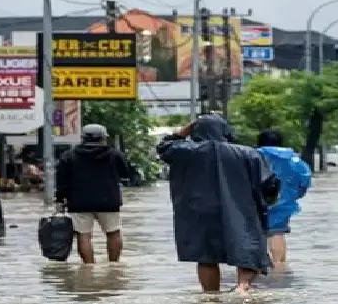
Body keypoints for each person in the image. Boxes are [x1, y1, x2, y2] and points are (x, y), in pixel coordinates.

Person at [157, 114, 281, 293]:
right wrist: (267, 203)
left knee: (206, 256)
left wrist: (185, 129)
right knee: (248, 249)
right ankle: (242, 287)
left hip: (198, 212)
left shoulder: (183, 151)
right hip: (241, 210)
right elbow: (269, 184)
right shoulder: (248, 153)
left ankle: (211, 295)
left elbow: (163, 146)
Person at [55, 124, 130, 264]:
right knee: (113, 232)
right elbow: (126, 174)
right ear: (103, 138)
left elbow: (62, 182)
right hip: (108, 201)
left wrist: (60, 200)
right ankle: (114, 265)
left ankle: (89, 267)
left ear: (83, 138)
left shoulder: (69, 156)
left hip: (79, 202)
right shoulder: (115, 155)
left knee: (84, 235)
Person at [255, 129, 312, 269]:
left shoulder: (253, 155)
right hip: (283, 202)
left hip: (254, 200)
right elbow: (305, 180)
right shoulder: (294, 159)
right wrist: (294, 195)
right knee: (277, 233)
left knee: (253, 234)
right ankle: (280, 268)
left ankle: (254, 268)